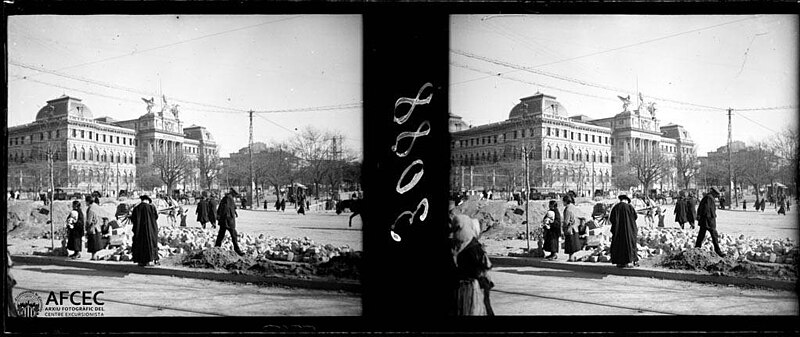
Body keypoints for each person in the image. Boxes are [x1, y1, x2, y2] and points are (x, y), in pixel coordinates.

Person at [450, 214, 493, 316]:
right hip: (471, 289)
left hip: (462, 289)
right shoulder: (473, 246)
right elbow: (483, 267)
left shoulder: (455, 244)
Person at [610, 195, 639, 268]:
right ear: (626, 200)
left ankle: (619, 262)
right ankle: (629, 262)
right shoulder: (630, 207)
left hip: (618, 231)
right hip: (629, 231)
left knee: (619, 245)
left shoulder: (616, 207)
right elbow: (635, 217)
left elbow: (611, 219)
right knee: (629, 245)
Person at [695, 188, 726, 257]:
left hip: (706, 220)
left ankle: (697, 248)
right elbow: (706, 210)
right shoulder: (709, 198)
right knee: (714, 235)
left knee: (701, 234)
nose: (717, 196)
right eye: (716, 194)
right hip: (708, 220)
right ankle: (718, 251)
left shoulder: (708, 197)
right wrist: (710, 220)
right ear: (713, 193)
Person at [131, 195, 160, 266]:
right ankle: (150, 260)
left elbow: (133, 219)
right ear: (147, 200)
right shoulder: (151, 208)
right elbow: (156, 217)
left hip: (139, 231)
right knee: (150, 244)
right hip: (150, 231)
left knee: (140, 245)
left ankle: (140, 261)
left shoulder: (136, 208)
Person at [215, 189, 244, 256]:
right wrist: (228, 219)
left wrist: (235, 213)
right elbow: (226, 209)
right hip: (228, 220)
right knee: (233, 234)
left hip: (225, 220)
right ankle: (237, 250)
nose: (235, 196)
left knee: (221, 234)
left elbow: (230, 208)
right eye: (235, 194)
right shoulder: (228, 198)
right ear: (233, 193)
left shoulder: (227, 198)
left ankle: (217, 247)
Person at [561, 195, 580, 262]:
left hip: (570, 229)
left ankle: (571, 257)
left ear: (566, 201)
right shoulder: (574, 207)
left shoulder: (567, 209)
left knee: (570, 244)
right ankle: (572, 256)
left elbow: (566, 221)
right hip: (575, 227)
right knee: (573, 243)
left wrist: (563, 228)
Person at [84, 195, 102, 261]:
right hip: (97, 227)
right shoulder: (96, 207)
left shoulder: (90, 209)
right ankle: (94, 255)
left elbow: (89, 220)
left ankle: (93, 256)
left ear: (88, 202)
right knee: (95, 242)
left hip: (93, 228)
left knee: (93, 243)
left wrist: (86, 227)